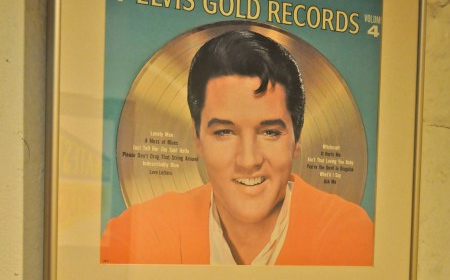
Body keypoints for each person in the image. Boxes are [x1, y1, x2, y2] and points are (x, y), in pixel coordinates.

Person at [100, 30, 373, 265]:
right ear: (198, 139)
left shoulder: (348, 233)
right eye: (224, 132)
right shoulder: (141, 232)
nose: (248, 160)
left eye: (270, 132)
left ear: (297, 140)